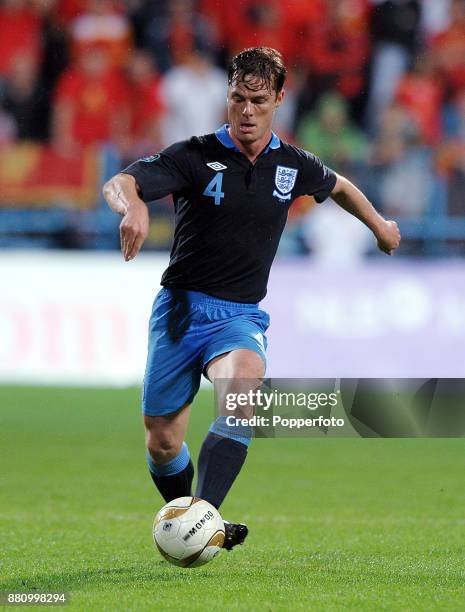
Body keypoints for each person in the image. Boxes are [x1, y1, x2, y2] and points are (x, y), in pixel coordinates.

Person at [102, 47, 401, 552]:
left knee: (242, 394)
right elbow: (122, 180)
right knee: (163, 440)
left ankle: (204, 521)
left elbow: (339, 186)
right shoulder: (195, 155)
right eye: (237, 97)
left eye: (258, 100)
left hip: (238, 316)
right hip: (179, 310)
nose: (245, 110)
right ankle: (187, 518)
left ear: (279, 99)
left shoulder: (293, 164)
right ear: (227, 94)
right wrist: (132, 207)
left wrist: (380, 225)